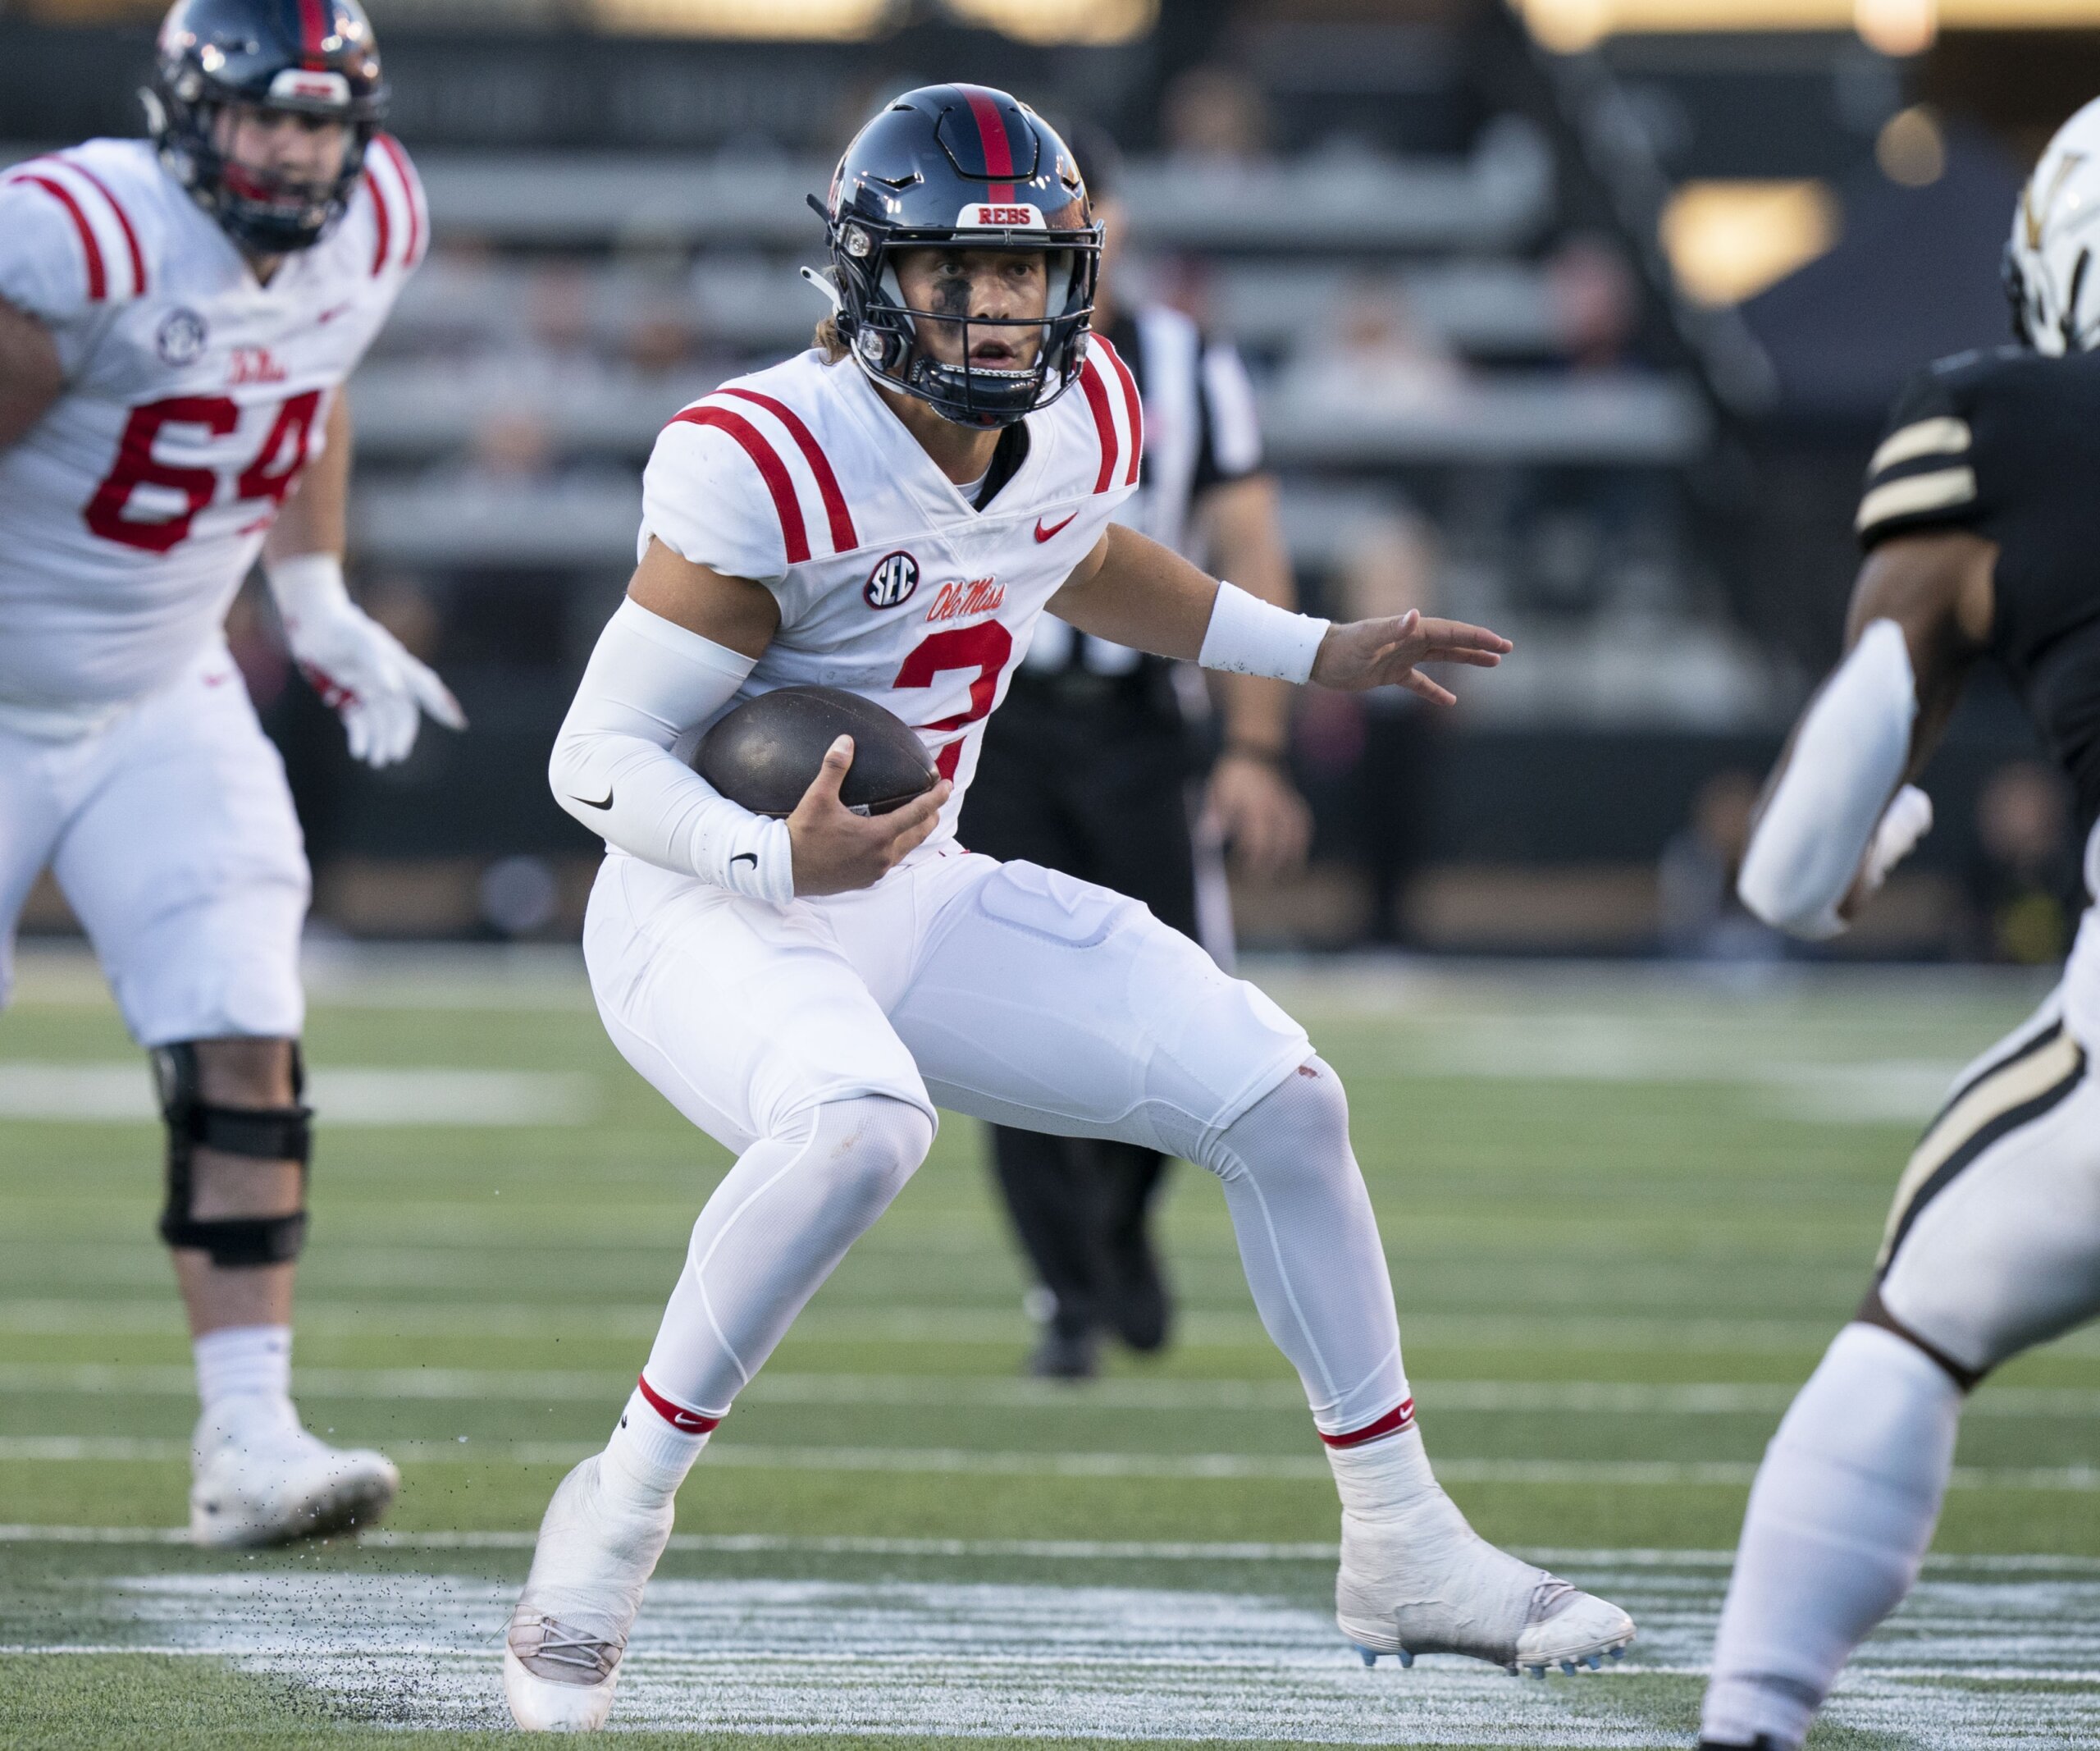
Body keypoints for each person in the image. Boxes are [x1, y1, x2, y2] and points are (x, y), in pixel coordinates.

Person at [509, 84, 1635, 1731]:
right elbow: (592, 758)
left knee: (1285, 1097)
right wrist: (775, 861)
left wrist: (1312, 650)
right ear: (870, 277)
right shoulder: (765, 456)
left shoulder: (1090, 405)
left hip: (913, 890)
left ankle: (1401, 1539)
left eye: (1029, 271)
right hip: (703, 904)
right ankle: (612, 1519)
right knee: (862, 1124)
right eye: (959, 272)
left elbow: (1084, 557)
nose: (1000, 306)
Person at [0, 0, 461, 1546]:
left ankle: (249, 1433)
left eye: (319, 121)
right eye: (265, 115)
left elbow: (308, 379)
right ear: (190, 115)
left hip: (159, 688)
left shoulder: (373, 224)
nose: (293, 150)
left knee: (246, 1037)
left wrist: (312, 594)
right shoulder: (83, 239)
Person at [1701, 95, 2100, 1751]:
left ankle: (1748, 1718)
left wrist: (1850, 863)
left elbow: (1788, 868)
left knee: (1919, 1314)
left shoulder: (2009, 423)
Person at [961, 128, 1312, 1379]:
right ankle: (1066, 1290)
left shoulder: (1185, 363)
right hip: (994, 720)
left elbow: (1248, 543)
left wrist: (1255, 744)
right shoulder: (953, 356)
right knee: (1000, 1013)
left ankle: (1115, 1226)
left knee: (1180, 1004)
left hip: (1137, 721)